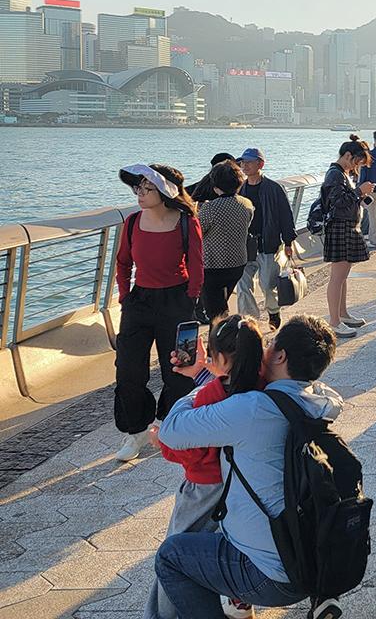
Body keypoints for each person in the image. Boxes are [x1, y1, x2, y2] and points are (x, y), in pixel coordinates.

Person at [155, 315, 341, 618]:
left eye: (270, 344)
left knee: (171, 556)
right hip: (310, 561)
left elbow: (172, 430)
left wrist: (209, 380)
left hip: (270, 576)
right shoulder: (317, 400)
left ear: (280, 356)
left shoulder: (253, 409)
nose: (263, 350)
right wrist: (210, 374)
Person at [146, 315, 265, 619]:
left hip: (204, 491)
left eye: (212, 355)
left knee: (173, 554)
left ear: (220, 359)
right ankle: (238, 603)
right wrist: (201, 372)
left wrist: (162, 440)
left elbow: (188, 450)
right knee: (228, 547)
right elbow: (231, 387)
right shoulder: (265, 387)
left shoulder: (208, 398)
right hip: (246, 488)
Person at [112, 164, 205, 462]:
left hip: (177, 302)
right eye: (137, 188)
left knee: (178, 370)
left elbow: (196, 265)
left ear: (164, 191)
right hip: (138, 303)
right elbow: (123, 262)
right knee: (128, 370)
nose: (139, 194)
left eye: (147, 188)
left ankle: (168, 422)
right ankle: (136, 431)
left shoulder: (186, 223)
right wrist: (125, 296)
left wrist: (190, 300)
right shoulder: (132, 222)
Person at [234, 148, 296, 331]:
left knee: (268, 284)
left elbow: (286, 216)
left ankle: (273, 311)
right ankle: (249, 323)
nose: (244, 165)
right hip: (245, 245)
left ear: (260, 164)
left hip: (268, 244)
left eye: (249, 162)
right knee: (243, 286)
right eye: (242, 162)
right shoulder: (239, 189)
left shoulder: (274, 188)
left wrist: (288, 242)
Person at [322, 136, 374, 339]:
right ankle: (334, 321)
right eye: (357, 162)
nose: (357, 166)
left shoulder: (340, 173)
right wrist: (359, 191)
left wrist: (359, 194)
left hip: (345, 227)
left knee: (342, 276)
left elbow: (343, 200)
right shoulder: (335, 174)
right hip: (340, 227)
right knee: (337, 277)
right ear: (347, 155)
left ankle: (342, 314)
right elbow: (338, 202)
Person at [197, 161, 254, 322]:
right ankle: (224, 330)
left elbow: (197, 232)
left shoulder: (210, 208)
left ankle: (222, 335)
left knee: (215, 312)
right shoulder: (247, 204)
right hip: (237, 263)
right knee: (221, 305)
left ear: (215, 185)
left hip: (213, 265)